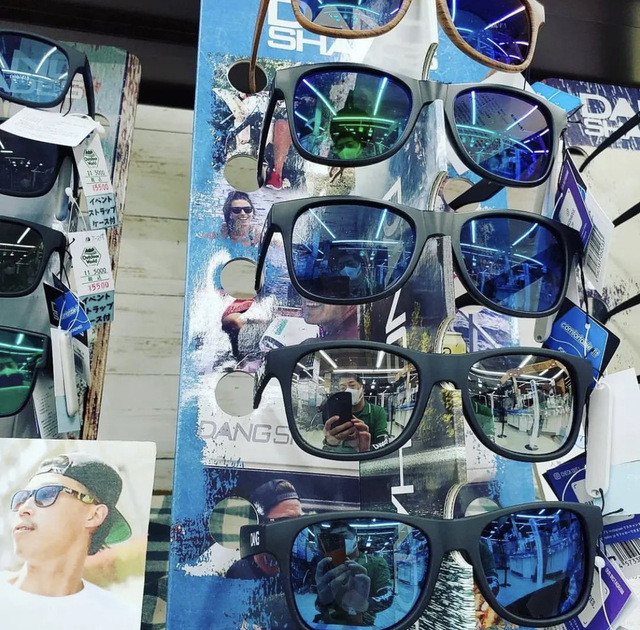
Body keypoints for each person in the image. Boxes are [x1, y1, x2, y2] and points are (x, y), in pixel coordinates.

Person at [0, 452, 139, 630]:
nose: (23, 509)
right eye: (22, 498)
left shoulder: (121, 620)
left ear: (94, 515)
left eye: (47, 494)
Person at [314, 522, 393, 626]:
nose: (340, 541)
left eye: (344, 536)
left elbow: (388, 596)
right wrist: (322, 599)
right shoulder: (327, 564)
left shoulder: (376, 563)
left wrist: (365, 604)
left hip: (362, 623)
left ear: (356, 537)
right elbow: (319, 605)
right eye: (334, 538)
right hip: (329, 622)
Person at [226, 479, 302, 579]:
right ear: (259, 525)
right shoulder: (238, 574)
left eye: (300, 521)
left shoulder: (302, 569)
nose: (296, 528)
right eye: (285, 522)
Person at [323, 373, 389, 453]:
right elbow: (326, 447)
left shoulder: (377, 411)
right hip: (339, 457)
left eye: (352, 385)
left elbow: (384, 442)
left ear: (362, 388)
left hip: (367, 458)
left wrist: (366, 449)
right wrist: (330, 443)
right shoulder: (335, 413)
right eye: (343, 388)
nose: (347, 390)